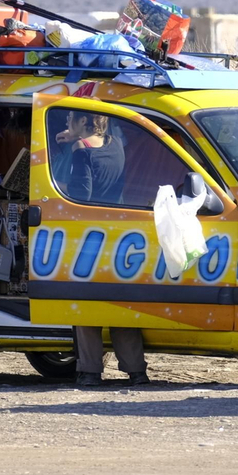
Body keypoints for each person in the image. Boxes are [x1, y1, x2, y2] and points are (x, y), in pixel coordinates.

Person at [53, 112, 147, 385]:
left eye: (71, 118)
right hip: (118, 233)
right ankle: (136, 371)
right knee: (119, 306)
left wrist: (56, 183)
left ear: (84, 121)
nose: (67, 122)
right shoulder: (115, 143)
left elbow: (81, 195)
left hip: (90, 237)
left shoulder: (81, 150)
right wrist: (70, 142)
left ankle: (90, 370)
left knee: (86, 306)